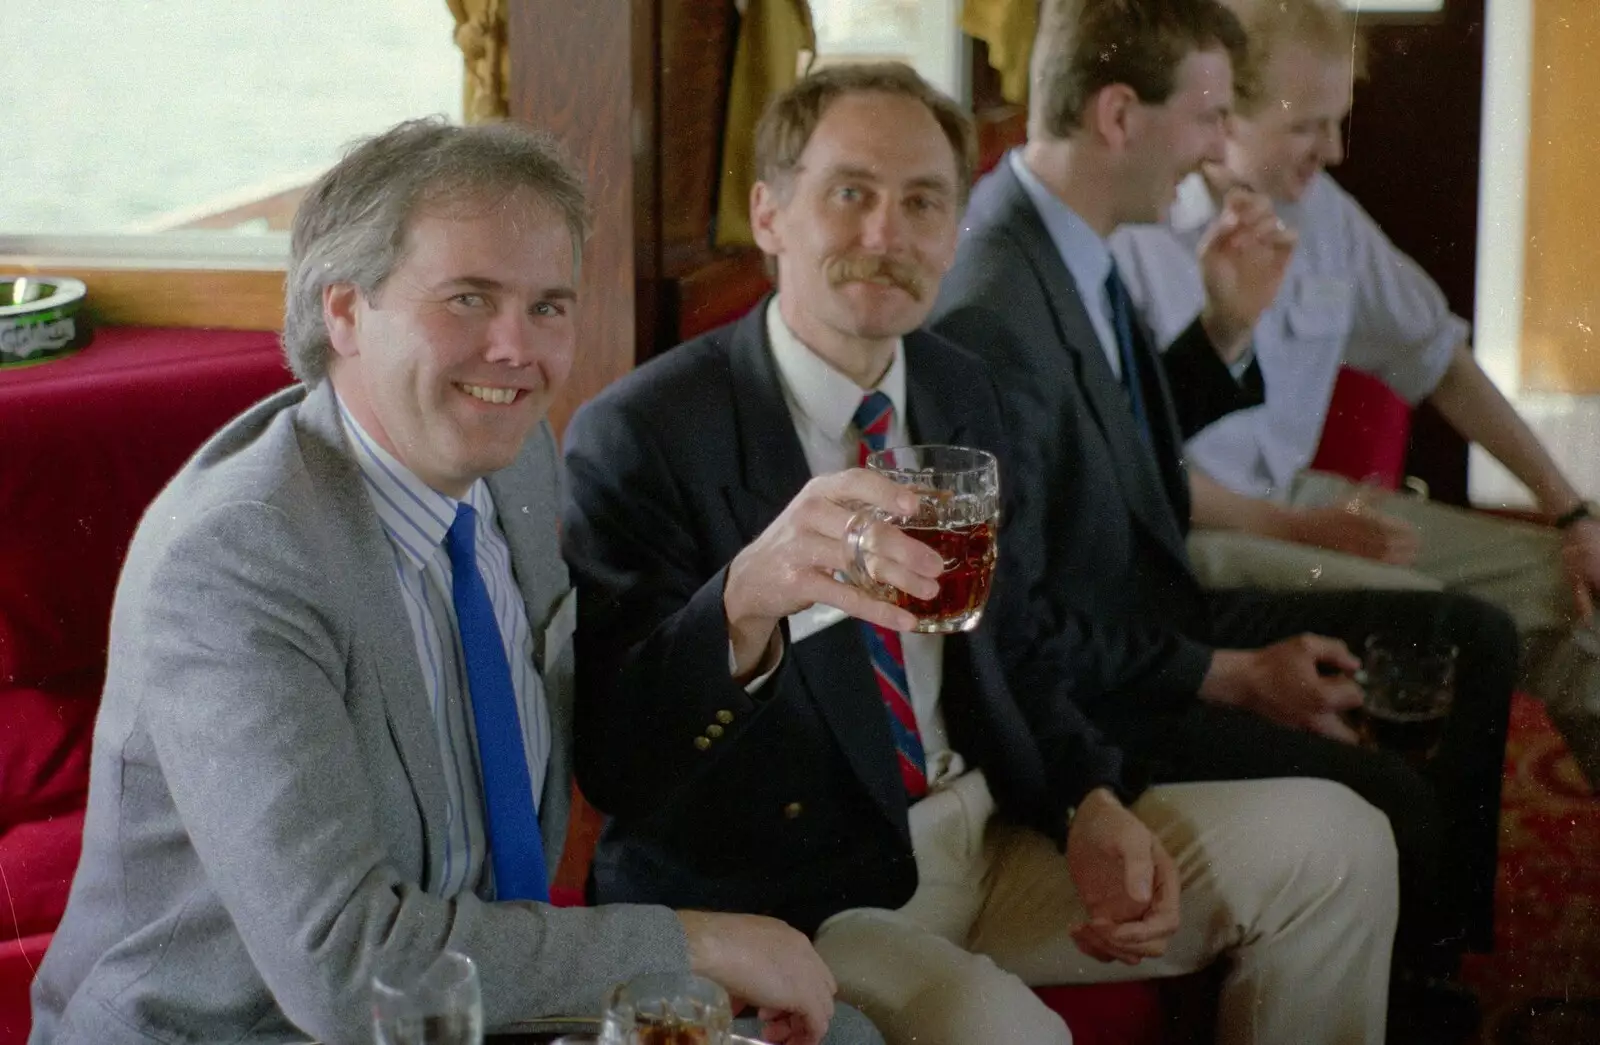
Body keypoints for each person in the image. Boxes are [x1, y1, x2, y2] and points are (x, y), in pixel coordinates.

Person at [563, 61, 1400, 1045]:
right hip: (808, 896)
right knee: (1012, 1033)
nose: (887, 235)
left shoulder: (960, 389)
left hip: (989, 830)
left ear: (955, 232)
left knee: (1342, 843)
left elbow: (1017, 642)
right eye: (850, 194)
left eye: (923, 202)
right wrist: (744, 603)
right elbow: (619, 770)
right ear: (769, 215)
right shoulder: (644, 433)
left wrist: (1086, 800)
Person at [27, 118, 877, 1045]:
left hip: (475, 1004)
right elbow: (346, 967)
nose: (516, 349)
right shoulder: (237, 560)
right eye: (468, 298)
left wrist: (745, 599)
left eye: (549, 305)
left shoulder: (512, 459)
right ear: (344, 313)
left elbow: (601, 755)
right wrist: (690, 943)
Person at [925, 0, 1516, 1039]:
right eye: (1205, 117)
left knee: (1471, 636)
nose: (1213, 149)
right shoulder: (995, 308)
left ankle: (1423, 974)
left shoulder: (1074, 236)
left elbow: (1120, 457)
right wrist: (1224, 673)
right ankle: (1416, 996)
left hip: (1150, 616)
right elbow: (1015, 628)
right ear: (1118, 116)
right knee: (1397, 803)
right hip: (1105, 684)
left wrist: (1226, 324)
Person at [1109, 0, 1600, 790]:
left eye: (1339, 122)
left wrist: (1570, 510)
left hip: (1298, 502)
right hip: (1193, 532)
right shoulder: (1134, 234)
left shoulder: (1325, 218)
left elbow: (1439, 358)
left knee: (1573, 591)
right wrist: (1300, 528)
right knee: (1438, 627)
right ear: (1222, 107)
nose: (1332, 152)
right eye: (1306, 126)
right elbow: (1132, 474)